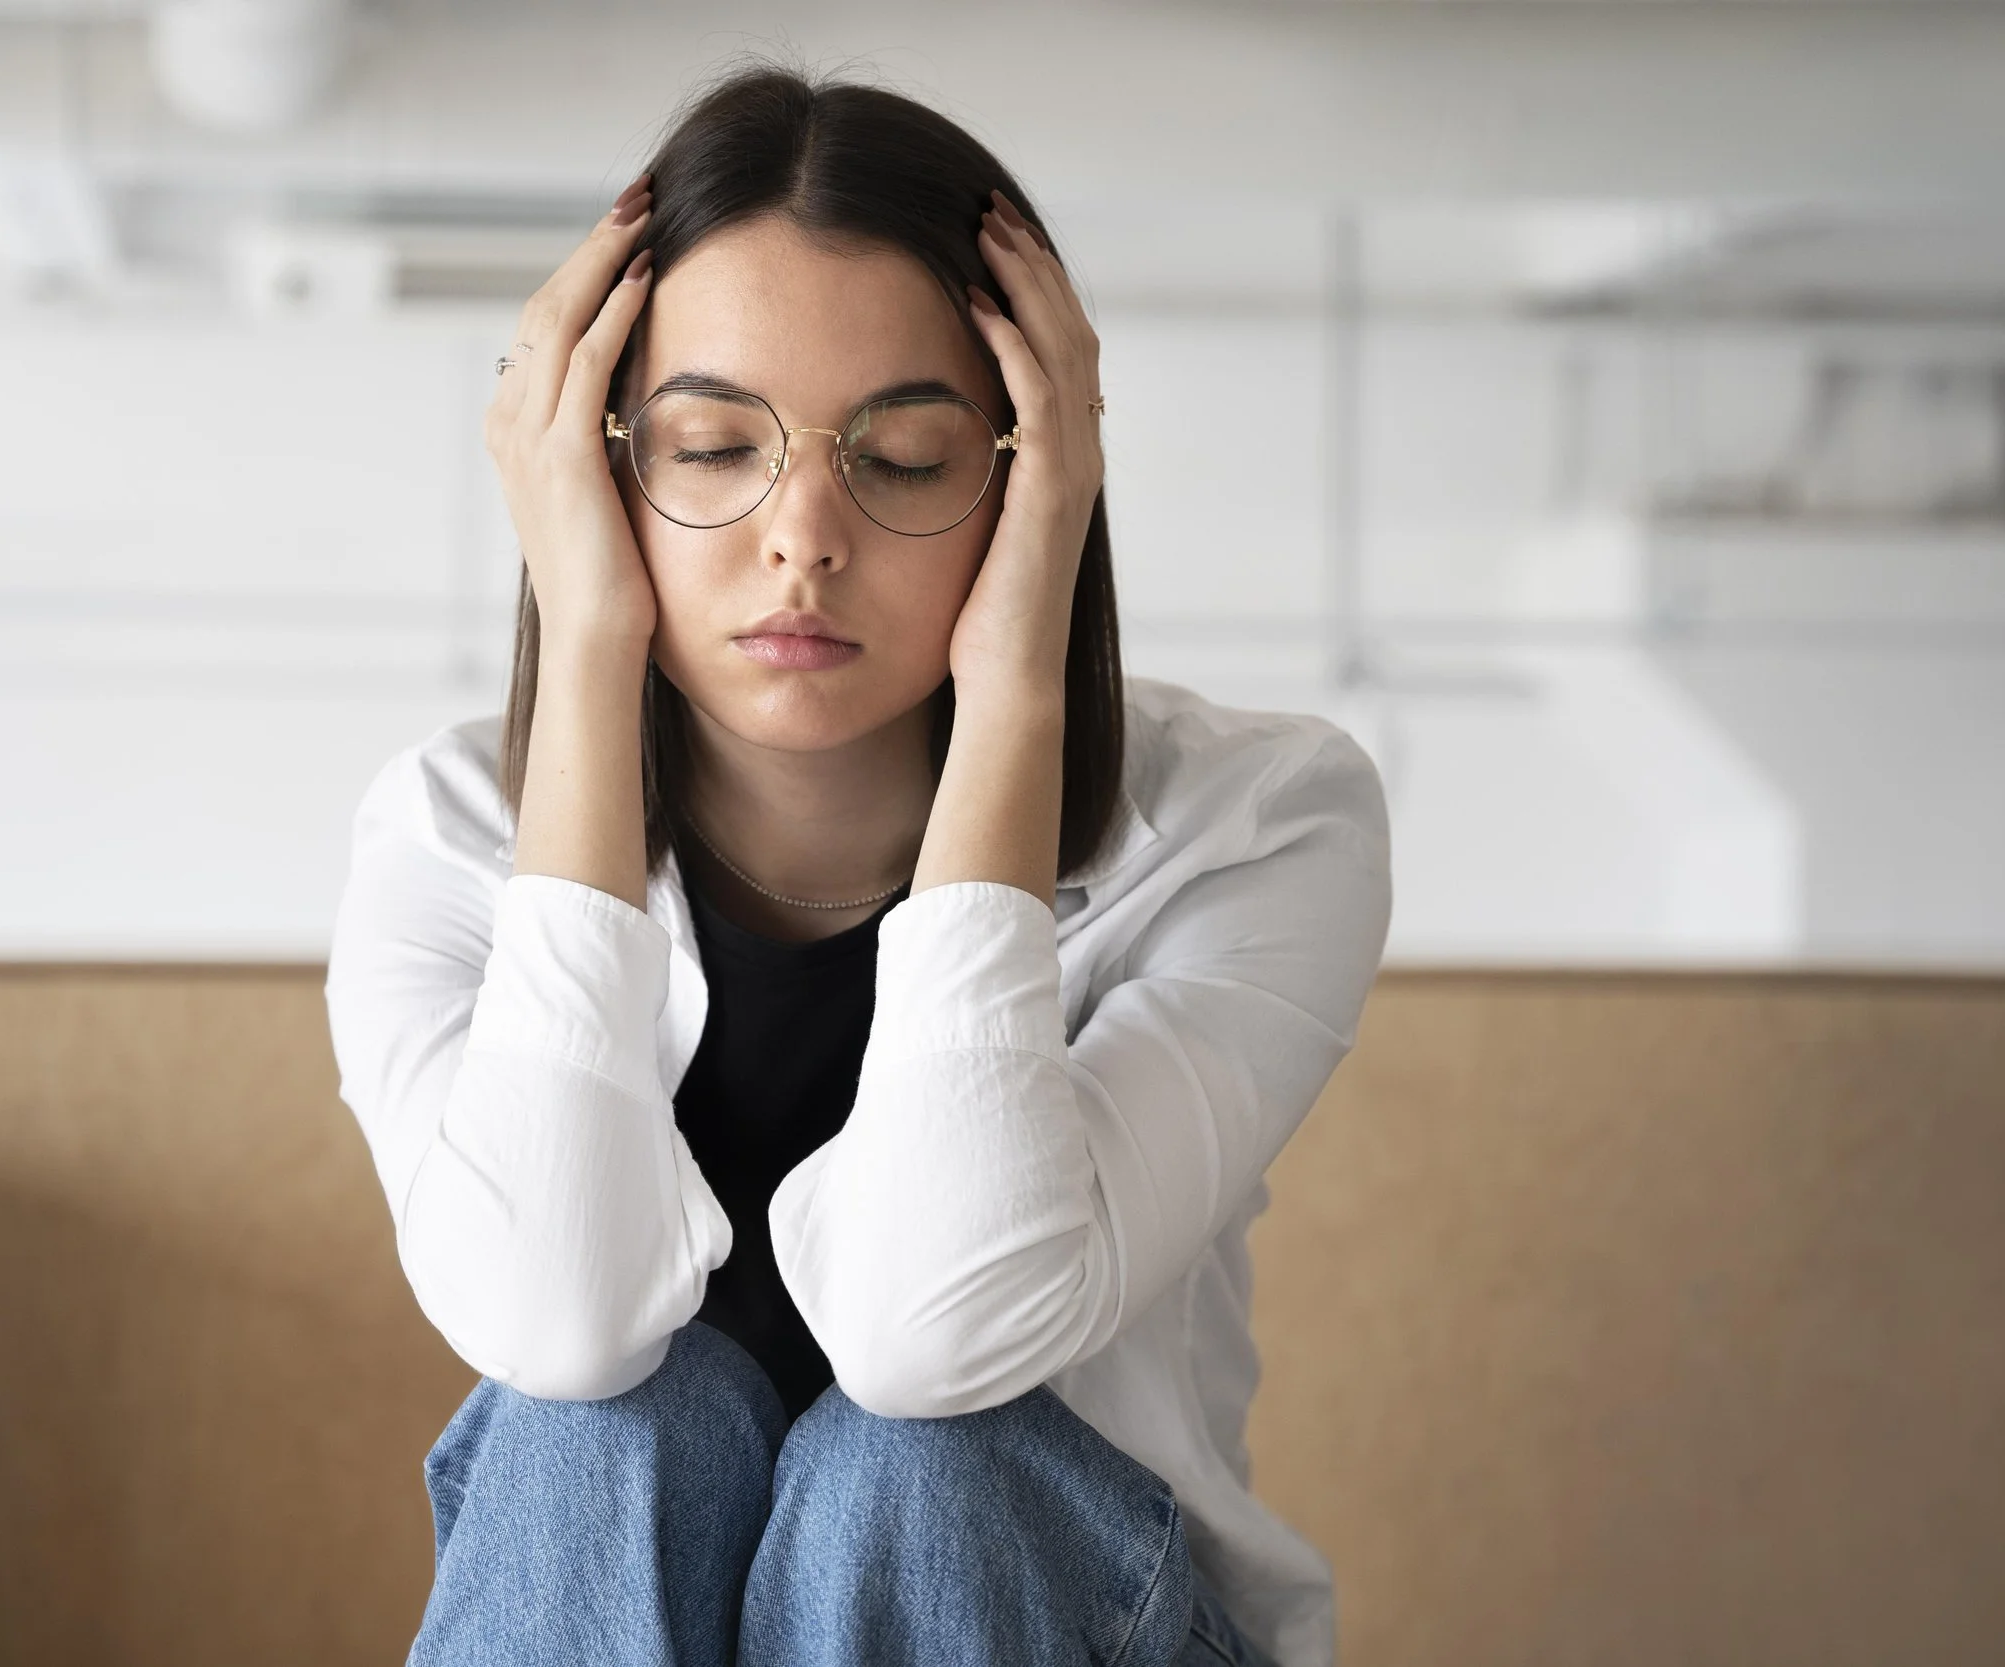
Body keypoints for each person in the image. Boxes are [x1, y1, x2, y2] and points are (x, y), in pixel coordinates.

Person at [325, 61, 1392, 1667]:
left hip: (1067, 1614)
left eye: (898, 459)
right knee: (595, 1429)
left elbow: (929, 1332)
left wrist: (1019, 694)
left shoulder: (1267, 824)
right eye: (706, 450)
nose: (802, 534)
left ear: (1030, 477)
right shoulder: (443, 839)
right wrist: (595, 638)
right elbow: (557, 1319)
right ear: (594, 470)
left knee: (925, 1464)